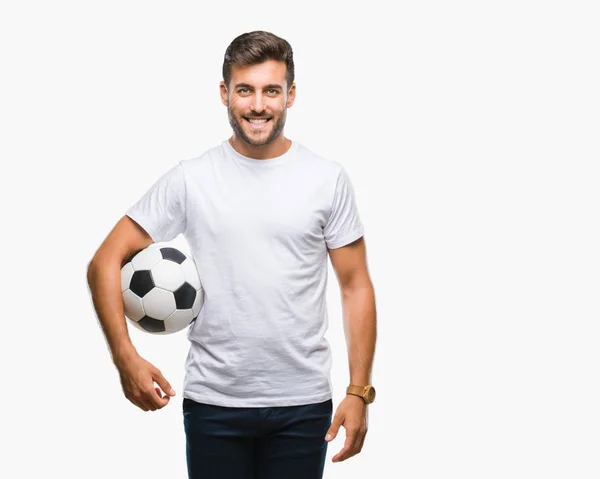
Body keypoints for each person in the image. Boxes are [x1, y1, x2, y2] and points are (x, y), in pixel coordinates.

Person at [87, 30, 377, 479]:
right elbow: (104, 261)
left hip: (302, 405)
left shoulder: (327, 179)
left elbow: (355, 285)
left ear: (290, 95)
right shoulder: (192, 178)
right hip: (214, 404)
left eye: (271, 91)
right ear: (225, 94)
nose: (258, 105)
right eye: (245, 90)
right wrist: (125, 357)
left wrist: (358, 391)